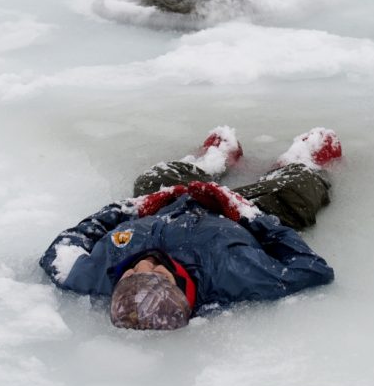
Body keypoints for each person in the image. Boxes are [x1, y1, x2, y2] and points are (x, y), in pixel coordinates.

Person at [39, 126, 342, 330]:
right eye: (158, 274)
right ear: (180, 287)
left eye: (130, 273)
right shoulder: (234, 274)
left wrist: (132, 208)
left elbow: (60, 251)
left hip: (169, 202)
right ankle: (300, 164)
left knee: (152, 178)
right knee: (296, 193)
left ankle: (213, 161)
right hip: (240, 212)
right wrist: (249, 216)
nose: (146, 262)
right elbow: (311, 269)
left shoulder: (94, 275)